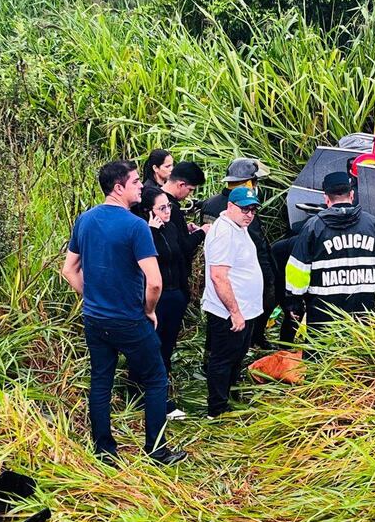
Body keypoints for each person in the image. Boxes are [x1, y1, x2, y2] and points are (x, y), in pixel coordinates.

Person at [61, 160, 186, 466]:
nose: (141, 186)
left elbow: (68, 270)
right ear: (118, 188)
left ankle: (104, 451)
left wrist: (92, 297)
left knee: (100, 380)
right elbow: (155, 282)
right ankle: (157, 450)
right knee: (156, 378)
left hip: (95, 318)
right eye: (134, 182)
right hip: (129, 319)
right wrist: (149, 310)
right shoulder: (135, 226)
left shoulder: (86, 220)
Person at [284, 172, 375, 354]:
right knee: (358, 361)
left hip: (323, 312)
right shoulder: (374, 225)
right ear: (351, 195)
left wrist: (295, 301)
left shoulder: (313, 227)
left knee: (320, 362)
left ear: (326, 198)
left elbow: (298, 269)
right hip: (363, 310)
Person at [202, 187, 264, 417]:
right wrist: (235, 312)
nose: (249, 214)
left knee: (236, 356)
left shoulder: (239, 226)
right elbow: (218, 276)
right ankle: (217, 408)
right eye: (245, 209)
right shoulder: (225, 233)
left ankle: (230, 396)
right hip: (228, 312)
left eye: (253, 210)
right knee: (223, 359)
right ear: (230, 206)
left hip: (246, 310)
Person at [202, 158, 276, 350]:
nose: (250, 213)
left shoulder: (210, 204)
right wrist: (269, 277)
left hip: (217, 278)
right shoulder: (241, 210)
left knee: (217, 330)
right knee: (231, 343)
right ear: (249, 183)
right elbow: (258, 248)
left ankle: (211, 356)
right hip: (233, 286)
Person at [132, 186, 191, 420]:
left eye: (169, 206)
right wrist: (151, 232)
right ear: (149, 212)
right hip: (155, 296)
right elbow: (144, 266)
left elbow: (179, 258)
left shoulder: (171, 228)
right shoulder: (144, 233)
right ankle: (147, 394)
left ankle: (157, 391)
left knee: (167, 346)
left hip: (175, 294)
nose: (168, 212)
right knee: (151, 346)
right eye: (162, 208)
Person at [161, 161, 210, 296]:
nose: (189, 195)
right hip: (174, 281)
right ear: (181, 184)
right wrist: (202, 232)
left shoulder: (156, 199)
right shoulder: (172, 209)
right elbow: (184, 246)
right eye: (190, 190)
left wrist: (185, 228)